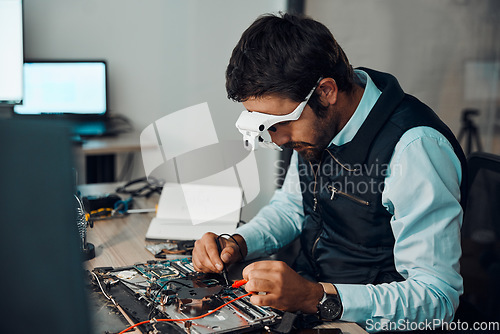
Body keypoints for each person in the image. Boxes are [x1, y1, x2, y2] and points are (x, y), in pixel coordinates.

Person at [193, 12, 467, 331]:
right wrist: (239, 243)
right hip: (306, 305)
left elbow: (437, 299)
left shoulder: (414, 149)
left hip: (365, 323)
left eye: (280, 124)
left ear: (326, 91)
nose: (277, 139)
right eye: (263, 127)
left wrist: (316, 298)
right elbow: (293, 207)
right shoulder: (319, 126)